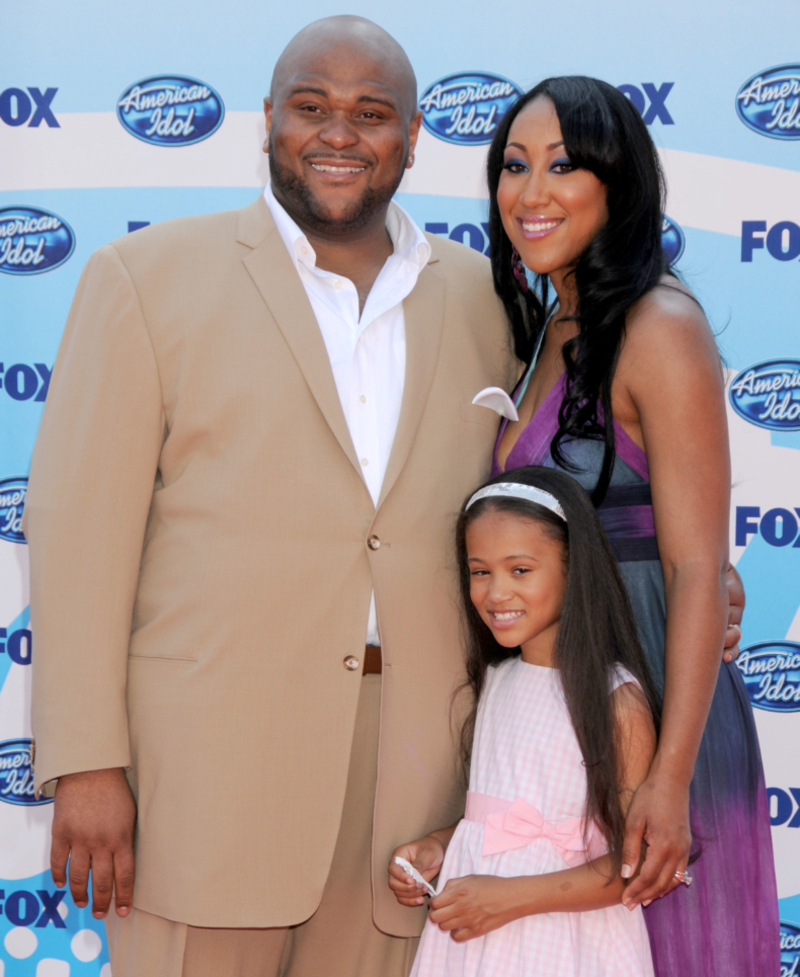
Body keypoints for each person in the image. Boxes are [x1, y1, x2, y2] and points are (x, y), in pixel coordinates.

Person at [24, 16, 518, 977]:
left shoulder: (486, 296)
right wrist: (86, 760)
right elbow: (79, 532)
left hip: (414, 784)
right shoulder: (142, 277)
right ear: (266, 121)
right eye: (312, 107)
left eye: (372, 113)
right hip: (205, 773)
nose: (340, 133)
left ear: (414, 137)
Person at [479, 76, 778, 975]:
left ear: (619, 184)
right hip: (564, 705)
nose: (531, 194)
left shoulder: (660, 324)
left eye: (563, 166)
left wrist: (670, 776)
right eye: (513, 166)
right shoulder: (545, 327)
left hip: (659, 693)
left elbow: (695, 568)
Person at [390, 467, 659, 976]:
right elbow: (496, 823)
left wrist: (509, 898)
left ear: (573, 568)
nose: (495, 594)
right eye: (479, 571)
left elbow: (633, 868)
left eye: (520, 570)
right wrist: (437, 848)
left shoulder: (615, 701)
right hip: (477, 940)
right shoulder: (496, 682)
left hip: (567, 943)